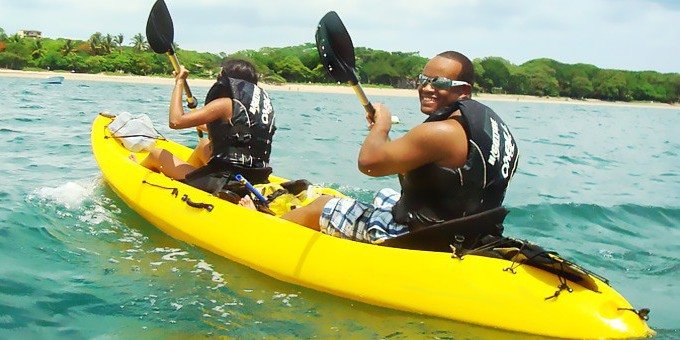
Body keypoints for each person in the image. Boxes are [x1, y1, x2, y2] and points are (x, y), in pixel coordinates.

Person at [282, 51, 519, 244]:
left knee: (321, 205)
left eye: (440, 82)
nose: (426, 88)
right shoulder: (489, 126)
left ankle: (271, 228)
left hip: (424, 238)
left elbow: (369, 164)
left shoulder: (443, 132)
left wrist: (381, 127)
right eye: (423, 79)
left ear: (464, 91)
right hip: (468, 232)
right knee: (384, 195)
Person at [135, 59, 276, 203]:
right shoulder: (256, 109)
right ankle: (185, 182)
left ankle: (134, 174)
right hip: (254, 179)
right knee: (204, 145)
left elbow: (175, 121)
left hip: (227, 182)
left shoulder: (225, 104)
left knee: (157, 154)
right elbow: (233, 133)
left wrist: (179, 83)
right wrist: (198, 123)